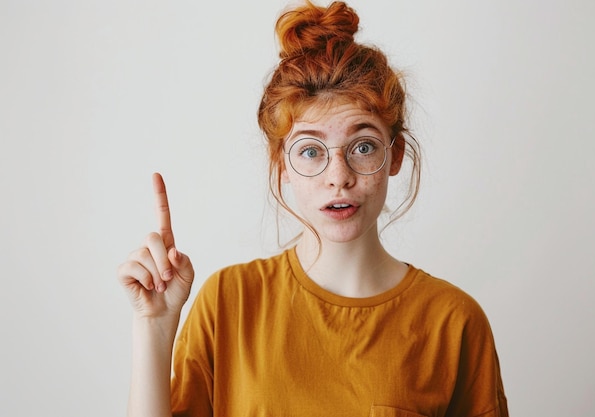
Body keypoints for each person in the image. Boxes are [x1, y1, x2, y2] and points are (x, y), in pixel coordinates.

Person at [117, 1, 509, 416]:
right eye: (310, 150)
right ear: (281, 163)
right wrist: (154, 326)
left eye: (362, 146)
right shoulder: (227, 302)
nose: (338, 176)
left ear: (394, 156)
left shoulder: (454, 322)